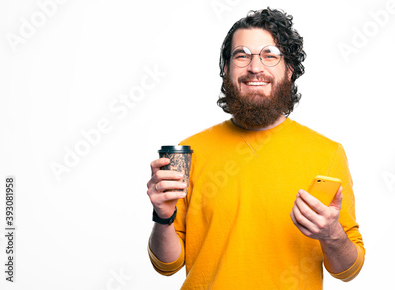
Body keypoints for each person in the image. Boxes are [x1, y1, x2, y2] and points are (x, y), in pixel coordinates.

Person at [146, 8, 365, 289]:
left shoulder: (327, 153)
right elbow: (167, 265)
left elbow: (348, 270)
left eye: (269, 55)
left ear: (289, 69)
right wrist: (163, 217)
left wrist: (332, 234)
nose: (255, 67)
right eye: (242, 55)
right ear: (226, 69)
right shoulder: (190, 152)